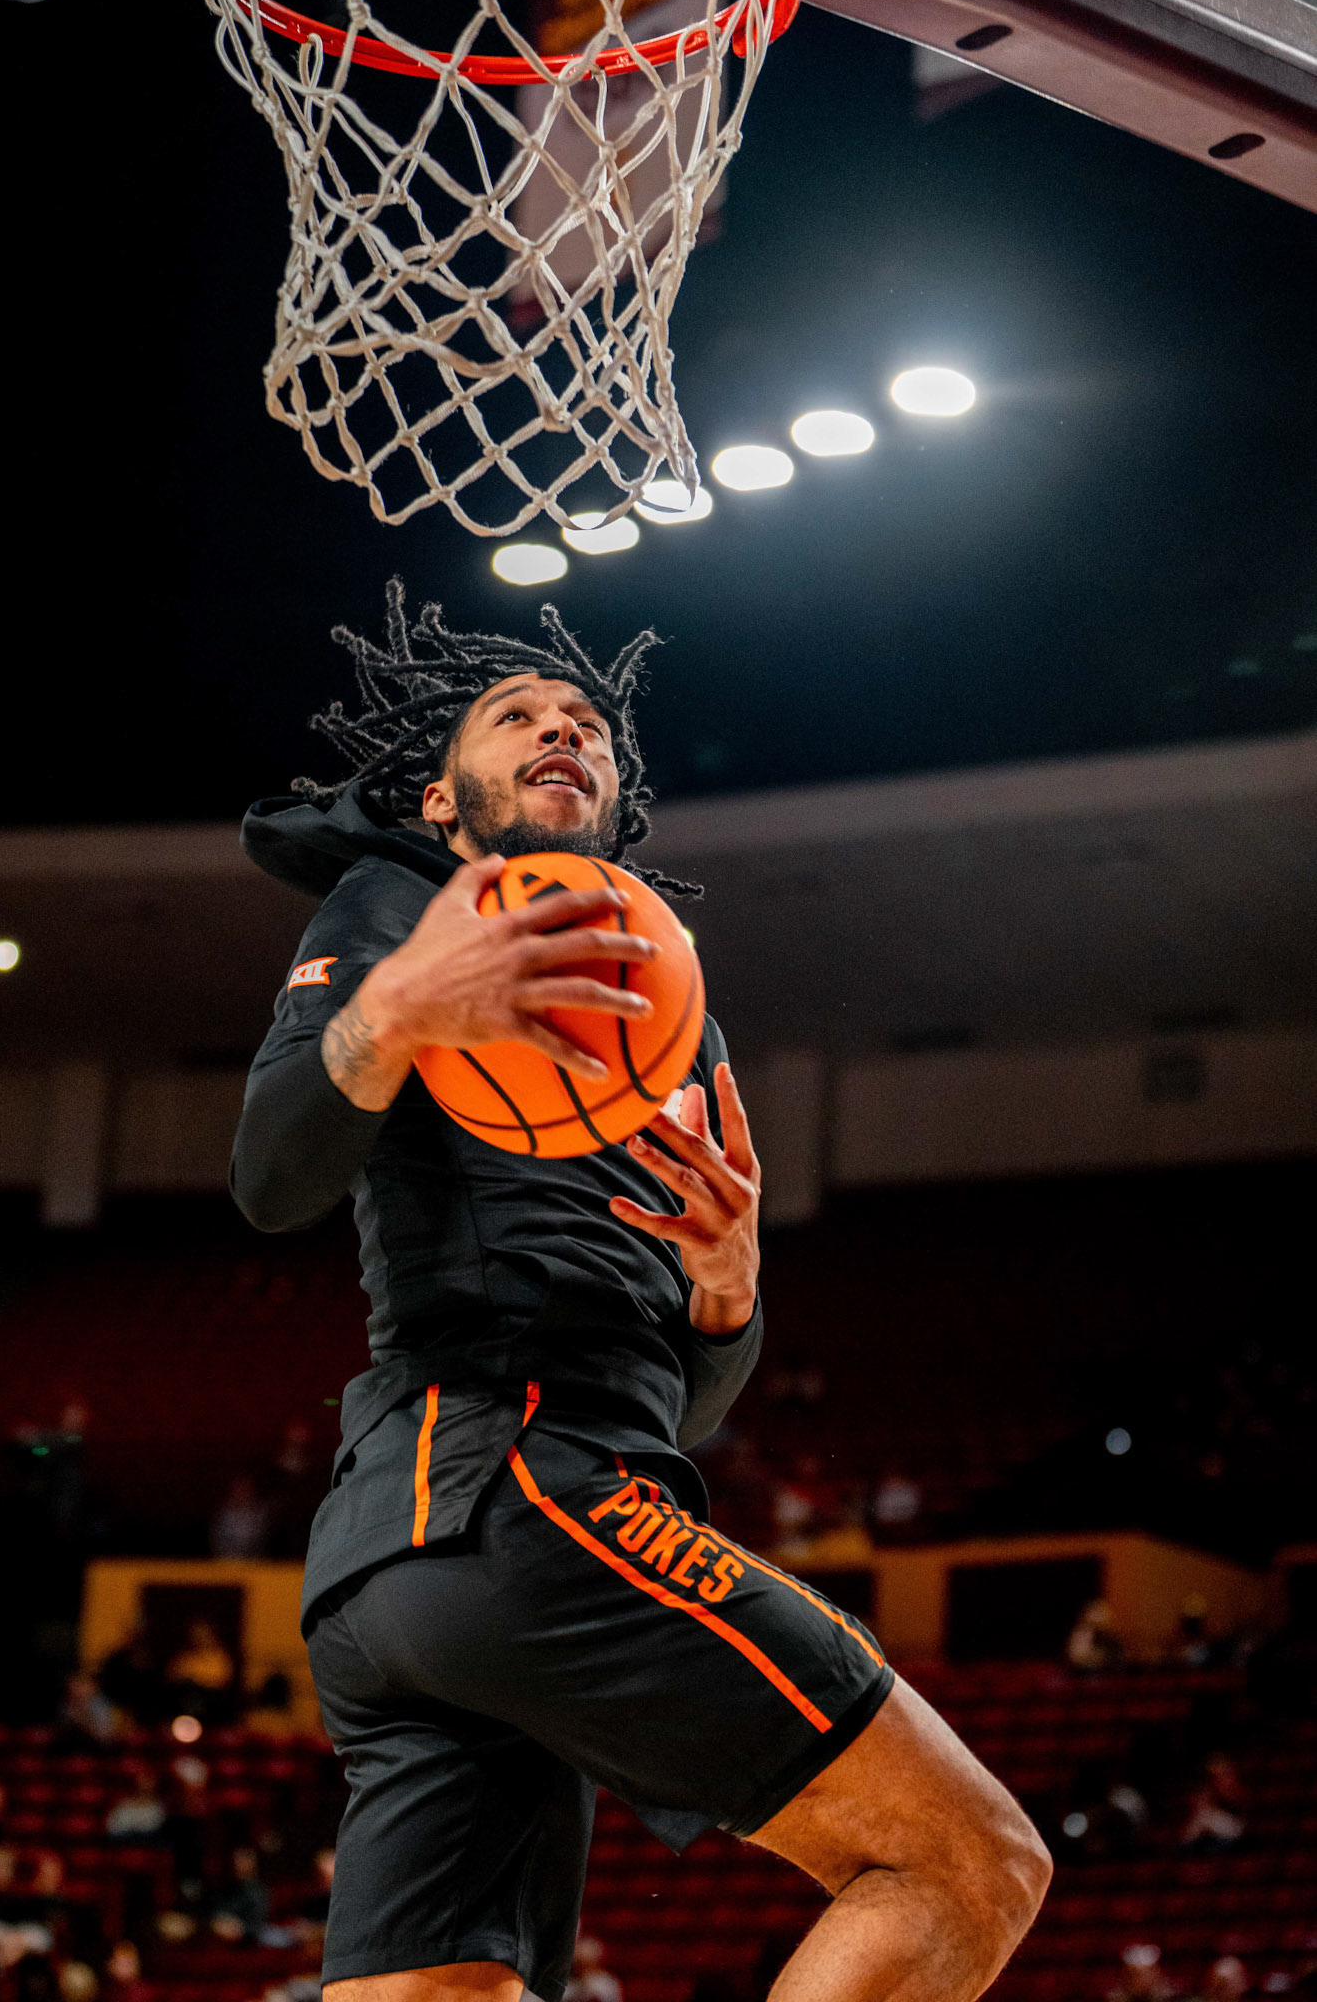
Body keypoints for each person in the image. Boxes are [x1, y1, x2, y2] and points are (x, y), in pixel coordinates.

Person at [230, 585, 1051, 2002]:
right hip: (512, 1489)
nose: (563, 726)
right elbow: (269, 1176)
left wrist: (724, 1292)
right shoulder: (400, 907)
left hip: (415, 1562)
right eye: (517, 715)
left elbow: (687, 1406)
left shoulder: (675, 1004)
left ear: (616, 800)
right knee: (968, 1862)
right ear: (440, 800)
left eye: (589, 725)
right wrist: (398, 1008)